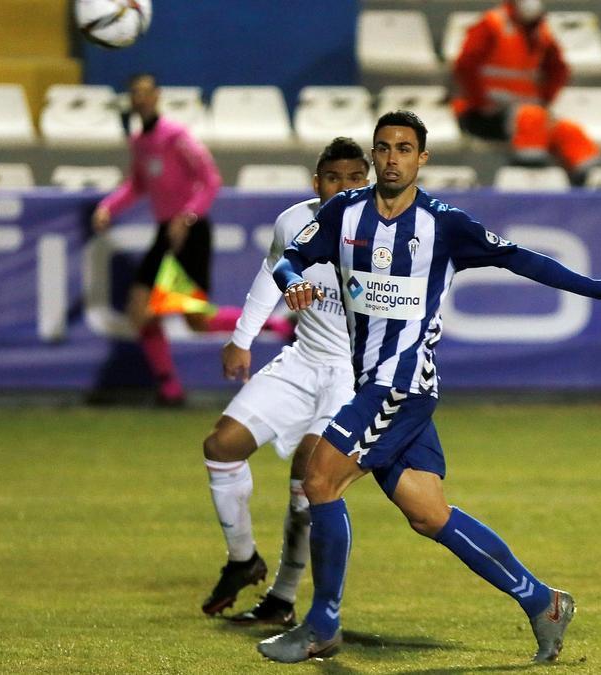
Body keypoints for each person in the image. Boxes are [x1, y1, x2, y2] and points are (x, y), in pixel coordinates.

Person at [256, 110, 601, 664]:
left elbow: (520, 259)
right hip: (378, 381)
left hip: (402, 383)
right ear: (373, 158)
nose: (393, 158)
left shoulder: (444, 223)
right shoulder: (344, 212)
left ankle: (321, 625)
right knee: (428, 513)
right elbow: (291, 257)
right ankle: (545, 603)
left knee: (319, 480)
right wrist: (293, 282)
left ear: (423, 159)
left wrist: (597, 286)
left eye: (405, 149)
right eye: (384, 148)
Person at [199, 138, 370, 624]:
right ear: (316, 183)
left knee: (308, 473)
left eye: (355, 177)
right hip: (303, 360)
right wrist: (242, 339)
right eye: (333, 178)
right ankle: (242, 559)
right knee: (221, 446)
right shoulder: (295, 221)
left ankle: (283, 597)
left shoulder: (385, 232)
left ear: (367, 181)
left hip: (352, 376)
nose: (343, 187)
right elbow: (270, 271)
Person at [91, 73, 284, 405]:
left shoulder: (175, 137)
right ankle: (170, 390)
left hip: (190, 233)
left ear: (156, 96)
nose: (140, 98)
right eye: (134, 93)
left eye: (145, 92)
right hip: (166, 233)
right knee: (147, 313)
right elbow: (137, 185)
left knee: (195, 320)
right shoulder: (140, 141)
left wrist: (188, 215)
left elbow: (210, 179)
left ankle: (275, 326)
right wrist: (108, 207)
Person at [452, 0, 600, 183]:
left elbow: (558, 69)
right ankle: (530, 187)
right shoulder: (491, 25)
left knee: (570, 132)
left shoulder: (541, 33)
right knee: (532, 119)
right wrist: (481, 102)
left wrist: (544, 101)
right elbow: (465, 65)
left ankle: (593, 191)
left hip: (526, 114)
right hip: (483, 115)